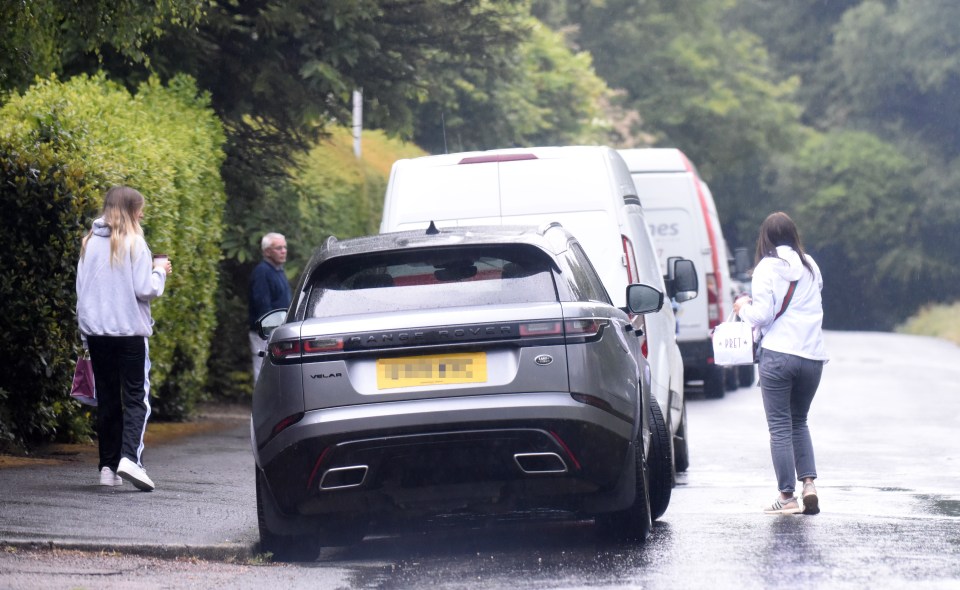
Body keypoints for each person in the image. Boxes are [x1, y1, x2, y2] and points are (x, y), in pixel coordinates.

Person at [76, 186, 171, 492]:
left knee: (106, 400)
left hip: (97, 334)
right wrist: (160, 270)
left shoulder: (88, 242)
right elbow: (146, 289)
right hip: (130, 334)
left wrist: (85, 332)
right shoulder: (134, 243)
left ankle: (107, 467)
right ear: (130, 210)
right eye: (139, 209)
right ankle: (131, 458)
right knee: (135, 398)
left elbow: (82, 291)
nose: (142, 214)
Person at [733, 212, 828, 516]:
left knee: (780, 427)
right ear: (793, 235)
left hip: (778, 355)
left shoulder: (766, 267)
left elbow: (761, 315)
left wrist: (743, 307)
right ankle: (809, 484)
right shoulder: (811, 265)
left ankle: (786, 496)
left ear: (766, 238)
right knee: (799, 421)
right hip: (812, 356)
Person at [249, 232, 291, 385]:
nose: (283, 251)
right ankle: (261, 408)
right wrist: (270, 332)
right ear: (267, 251)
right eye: (278, 248)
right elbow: (263, 307)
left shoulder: (278, 270)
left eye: (284, 247)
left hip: (277, 332)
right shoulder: (262, 272)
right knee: (263, 375)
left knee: (276, 376)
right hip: (264, 333)